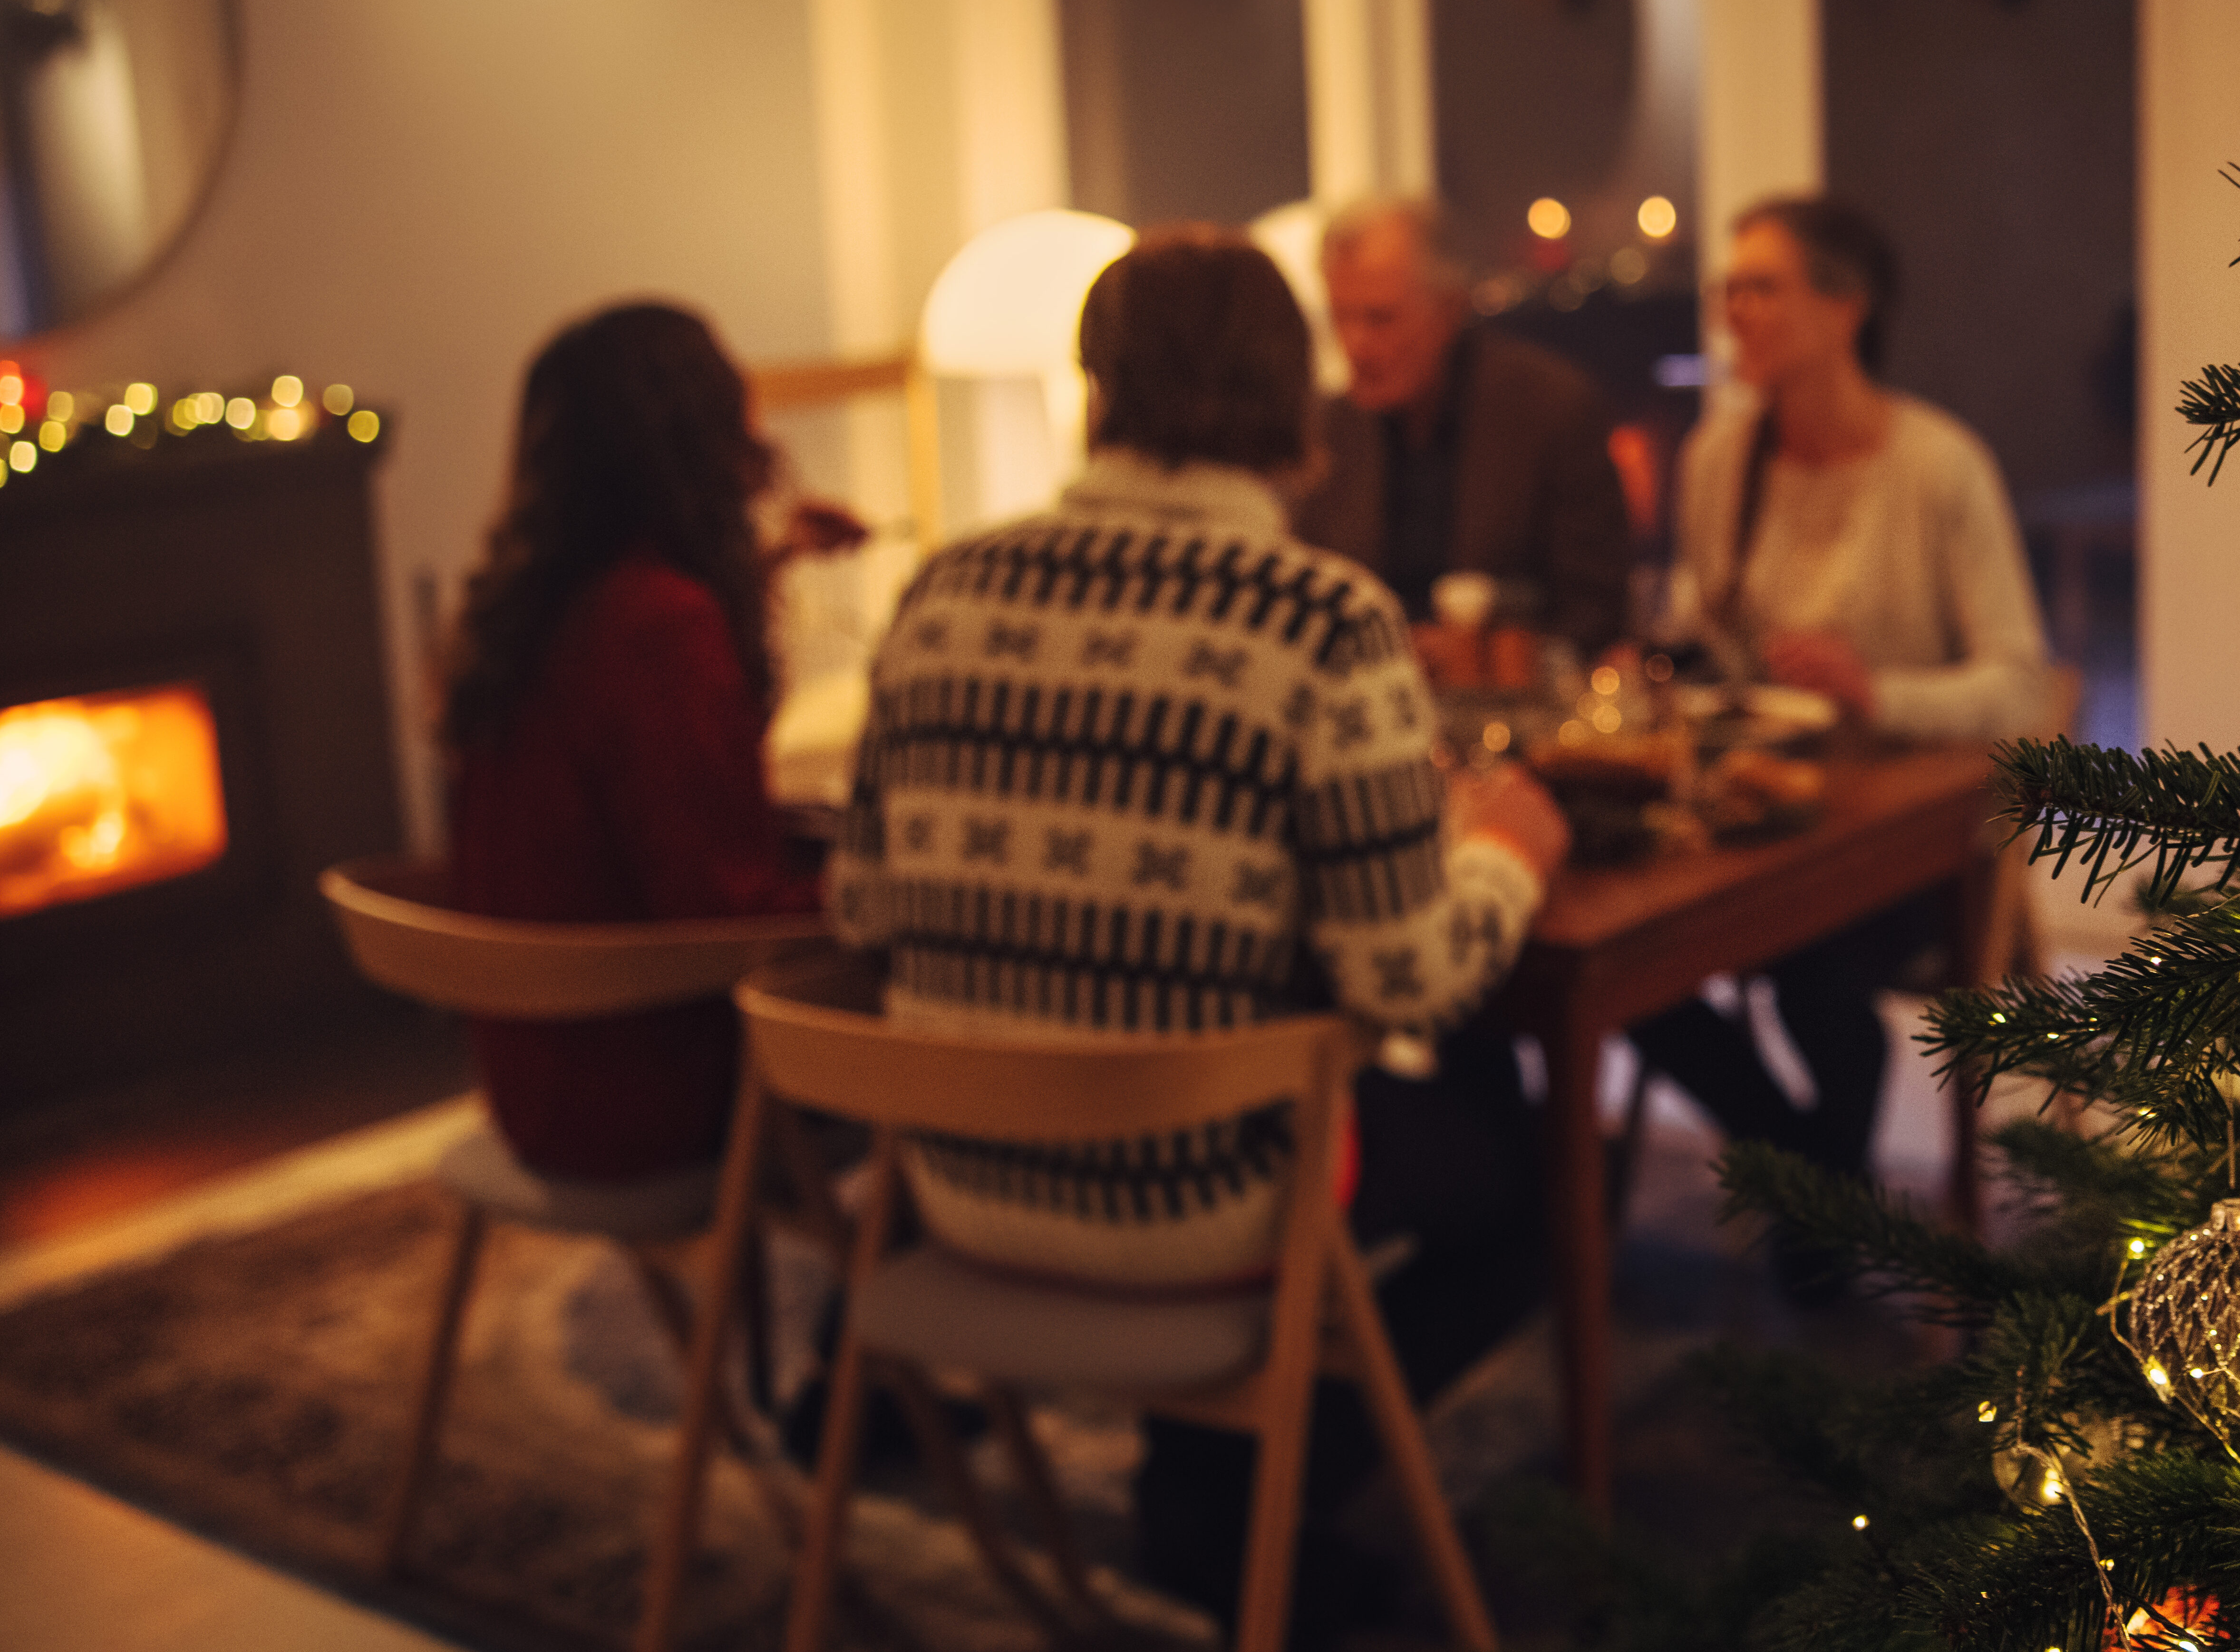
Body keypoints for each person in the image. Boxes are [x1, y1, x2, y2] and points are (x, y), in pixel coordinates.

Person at [828, 228, 1570, 1637]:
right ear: (1292, 405)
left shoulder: (940, 590)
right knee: (1532, 1189)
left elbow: (858, 908)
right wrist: (1505, 860)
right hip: (1190, 1205)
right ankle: (1243, 1508)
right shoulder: (1320, 619)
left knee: (1279, 1069)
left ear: (1096, 391)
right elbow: (1404, 976)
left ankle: (1211, 1498)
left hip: (958, 1181)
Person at [1637, 196, 2052, 1191]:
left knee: (1811, 982)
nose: (1735, 311)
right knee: (1629, 966)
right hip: (1767, 814)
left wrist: (1877, 693)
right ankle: (1807, 1176)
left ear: (1844, 308)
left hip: (1915, 833)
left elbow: (2020, 688)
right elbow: (1707, 636)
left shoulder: (1936, 466)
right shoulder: (1718, 460)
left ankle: (1811, 1203)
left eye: (1762, 287)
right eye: (1727, 289)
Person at [440, 301, 859, 1181]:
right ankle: (874, 1298)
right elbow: (723, 905)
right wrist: (878, 893)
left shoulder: (534, 611)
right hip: (649, 1094)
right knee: (934, 1007)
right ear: (699, 432)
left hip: (537, 1077)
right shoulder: (660, 625)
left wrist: (771, 560)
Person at [1292, 196, 1635, 654]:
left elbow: (1598, 612)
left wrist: (1477, 654)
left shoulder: (1551, 411)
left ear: (1449, 308)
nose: (1356, 345)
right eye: (1341, 317)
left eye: (1380, 318)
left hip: (1522, 714)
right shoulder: (1326, 433)